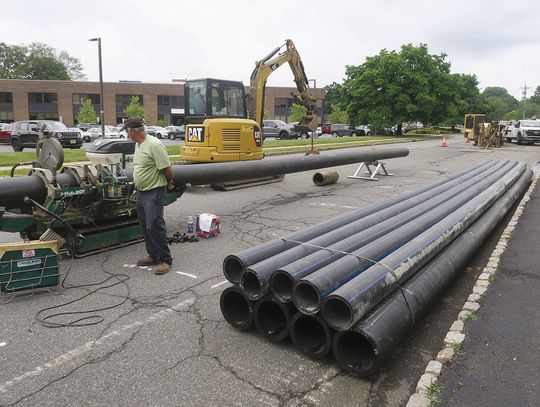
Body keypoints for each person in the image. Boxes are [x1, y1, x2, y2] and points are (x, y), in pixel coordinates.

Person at [120, 117, 174, 275]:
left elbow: (168, 169)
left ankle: (165, 259)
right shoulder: (138, 144)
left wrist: (169, 182)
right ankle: (153, 255)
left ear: (133, 131)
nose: (127, 134)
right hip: (142, 192)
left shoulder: (154, 145)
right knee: (145, 225)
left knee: (154, 225)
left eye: (128, 131)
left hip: (154, 191)